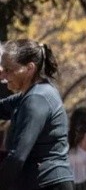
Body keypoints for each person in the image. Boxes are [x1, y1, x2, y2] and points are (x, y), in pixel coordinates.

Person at [0, 39, 74, 190]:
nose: (3, 75)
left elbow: (18, 156)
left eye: (8, 70)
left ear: (29, 68)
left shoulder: (36, 99)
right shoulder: (32, 95)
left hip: (47, 183)